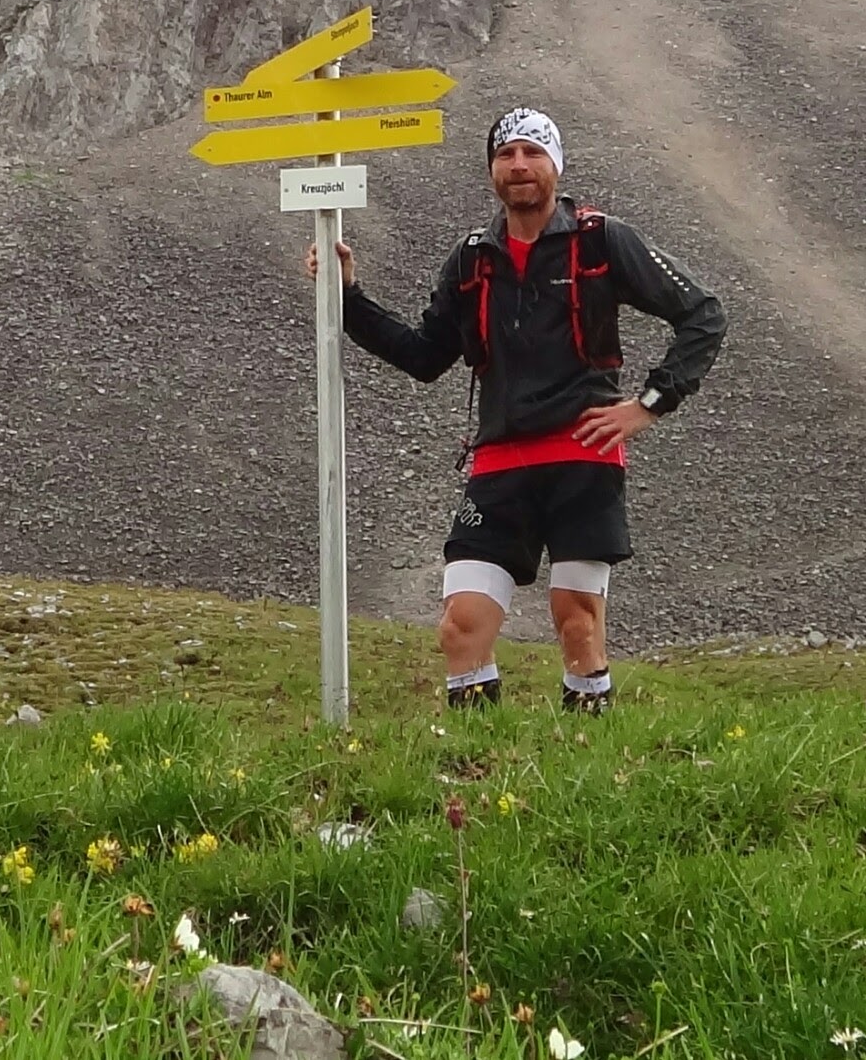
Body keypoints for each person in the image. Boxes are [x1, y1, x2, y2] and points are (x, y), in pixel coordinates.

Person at [306, 106, 725, 713]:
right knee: (460, 627)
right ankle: (476, 758)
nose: (519, 165)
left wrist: (648, 405)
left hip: (583, 458)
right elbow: (423, 356)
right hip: (499, 463)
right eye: (506, 154)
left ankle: (590, 750)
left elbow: (703, 314)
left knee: (577, 622)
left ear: (556, 165)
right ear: (491, 171)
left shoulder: (600, 239)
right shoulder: (472, 259)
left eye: (533, 152)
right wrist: (347, 297)